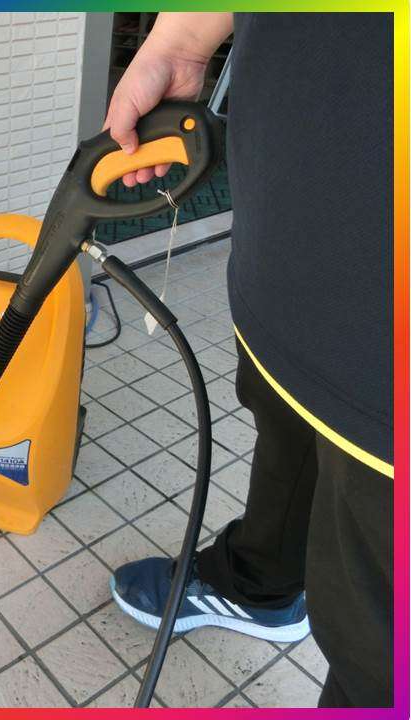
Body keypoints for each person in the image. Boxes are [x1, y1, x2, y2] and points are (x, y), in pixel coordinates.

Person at [103, 12, 394, 708]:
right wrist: (183, 38)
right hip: (291, 215)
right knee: (283, 417)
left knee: (378, 640)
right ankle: (260, 582)